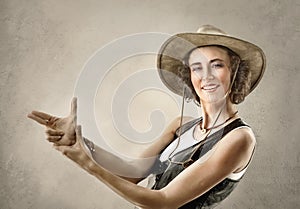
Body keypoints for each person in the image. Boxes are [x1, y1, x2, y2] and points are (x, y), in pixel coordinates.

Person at [27, 25, 266, 209]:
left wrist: (87, 163)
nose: (207, 76)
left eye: (217, 65)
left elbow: (164, 202)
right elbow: (131, 173)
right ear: (188, 76)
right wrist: (81, 143)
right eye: (197, 67)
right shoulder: (180, 127)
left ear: (234, 72)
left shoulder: (239, 139)